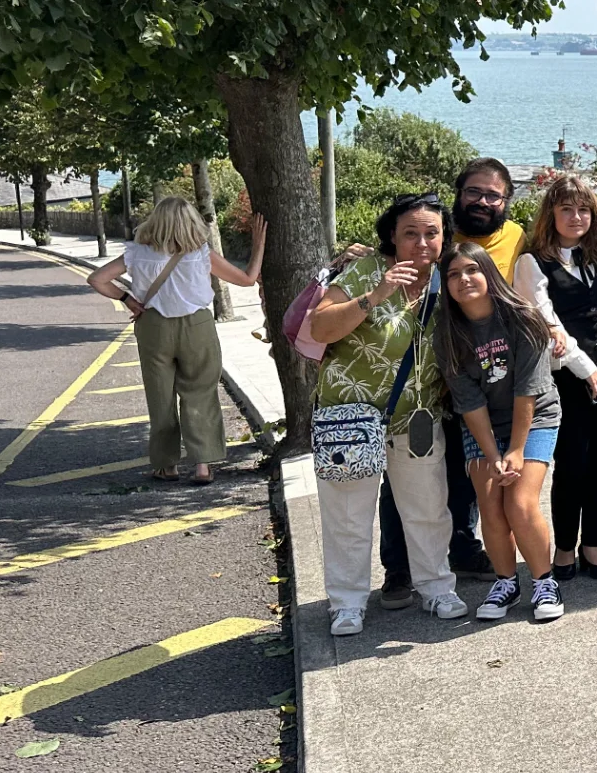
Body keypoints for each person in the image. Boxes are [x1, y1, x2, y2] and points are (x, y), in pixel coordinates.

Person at [308, 194, 467, 635]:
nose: (421, 242)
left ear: (444, 237)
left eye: (431, 233)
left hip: (415, 416)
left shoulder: (447, 278)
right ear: (391, 239)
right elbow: (319, 328)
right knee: (347, 514)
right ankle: (347, 602)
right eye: (410, 233)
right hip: (350, 417)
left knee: (428, 508)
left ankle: (437, 588)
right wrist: (375, 296)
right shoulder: (364, 272)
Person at [377, 157, 513, 605]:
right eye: (474, 191)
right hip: (424, 388)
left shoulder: (517, 238)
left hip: (484, 383)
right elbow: (396, 249)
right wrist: (365, 254)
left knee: (462, 476)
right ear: (458, 195)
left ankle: (459, 548)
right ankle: (398, 568)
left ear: (506, 202)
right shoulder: (436, 241)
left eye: (493, 195)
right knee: (405, 483)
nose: (483, 201)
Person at [87, 195, 266, 485]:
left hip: (153, 326)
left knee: (160, 397)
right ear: (191, 222)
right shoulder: (201, 253)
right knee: (200, 393)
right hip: (197, 326)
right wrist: (258, 245)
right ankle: (203, 465)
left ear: (155, 221)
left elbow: (97, 278)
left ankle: (166, 465)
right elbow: (247, 279)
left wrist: (127, 299)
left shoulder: (136, 253)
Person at [437, 241, 566, 622]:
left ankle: (545, 581)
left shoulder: (523, 318)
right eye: (453, 274)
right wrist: (494, 456)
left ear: (488, 273)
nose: (463, 280)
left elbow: (528, 390)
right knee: (491, 503)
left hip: (536, 417)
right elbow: (469, 402)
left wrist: (517, 450)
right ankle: (506, 582)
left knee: (519, 503)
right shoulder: (448, 335)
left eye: (471, 270)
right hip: (484, 427)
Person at [514, 173, 597, 583]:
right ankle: (565, 546)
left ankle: (593, 544)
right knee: (571, 464)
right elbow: (550, 326)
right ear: (551, 214)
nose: (576, 216)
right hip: (567, 378)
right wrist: (592, 374)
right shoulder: (532, 264)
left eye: (584, 209)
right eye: (566, 208)